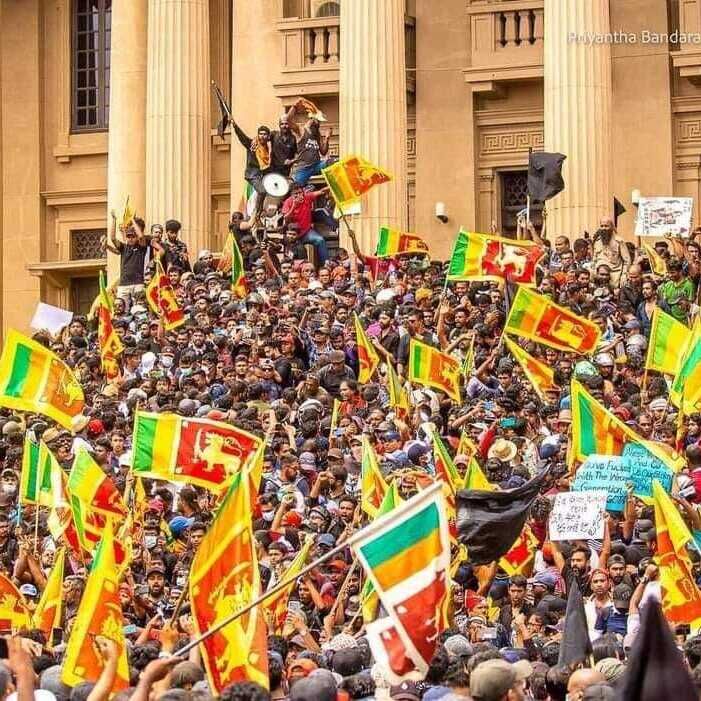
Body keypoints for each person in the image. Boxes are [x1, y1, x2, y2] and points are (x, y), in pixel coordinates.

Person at [105, 209, 149, 306]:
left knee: (139, 309)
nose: (130, 239)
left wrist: (132, 220)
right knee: (121, 308)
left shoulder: (141, 247)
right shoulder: (123, 247)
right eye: (128, 236)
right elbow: (113, 238)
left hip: (138, 283)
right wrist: (114, 220)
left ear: (136, 237)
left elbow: (141, 237)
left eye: (133, 236)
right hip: (124, 284)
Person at [282, 182, 331, 265]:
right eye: (296, 194)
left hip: (306, 232)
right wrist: (294, 206)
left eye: (300, 192)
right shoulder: (288, 202)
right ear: (291, 194)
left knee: (320, 240)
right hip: (292, 235)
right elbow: (286, 217)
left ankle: (326, 264)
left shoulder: (307, 197)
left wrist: (330, 186)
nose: (299, 195)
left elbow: (321, 191)